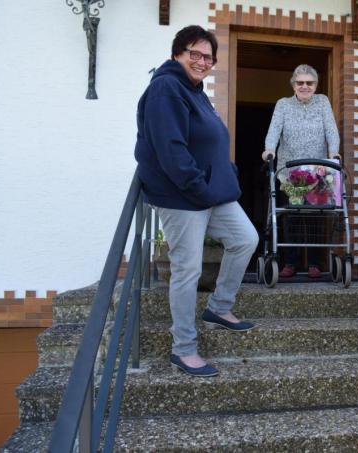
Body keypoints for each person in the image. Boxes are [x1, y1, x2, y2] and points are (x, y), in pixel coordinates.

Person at [134, 25, 258, 377]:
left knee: (245, 238)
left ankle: (219, 306)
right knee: (187, 270)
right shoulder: (166, 89)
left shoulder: (195, 91)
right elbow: (171, 150)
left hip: (210, 194)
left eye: (208, 57)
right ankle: (183, 349)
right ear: (178, 53)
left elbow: (211, 141)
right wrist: (201, 188)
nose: (202, 61)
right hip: (181, 197)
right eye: (195, 53)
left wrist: (227, 176)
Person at [262, 64, 340, 279]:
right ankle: (290, 262)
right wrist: (269, 149)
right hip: (290, 171)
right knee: (292, 215)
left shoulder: (323, 102)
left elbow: (331, 130)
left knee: (315, 215)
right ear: (293, 85)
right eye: (300, 83)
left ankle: (315, 263)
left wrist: (334, 153)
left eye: (309, 83)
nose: (305, 86)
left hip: (318, 170)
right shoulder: (283, 105)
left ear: (315, 85)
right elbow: (274, 130)